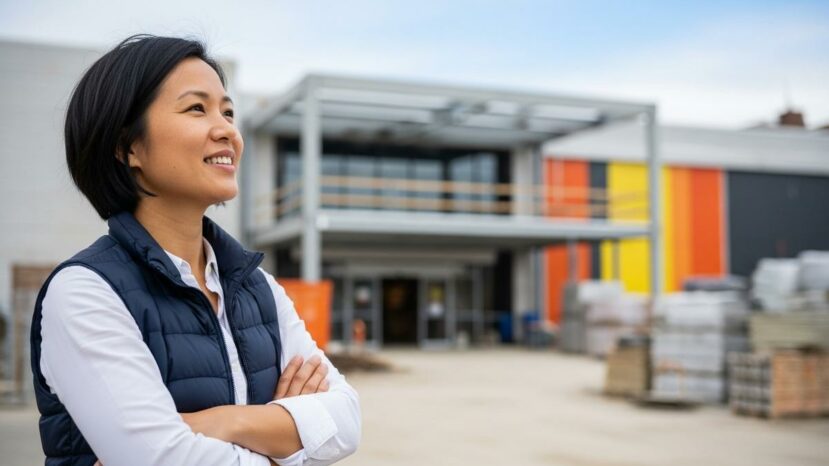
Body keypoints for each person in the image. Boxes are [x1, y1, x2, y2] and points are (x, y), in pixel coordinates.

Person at [29, 34, 361, 466]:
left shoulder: (256, 285)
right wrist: (288, 437)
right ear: (127, 146)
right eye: (196, 108)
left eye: (228, 111)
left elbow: (347, 421)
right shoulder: (84, 293)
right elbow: (165, 459)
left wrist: (223, 421)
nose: (227, 130)